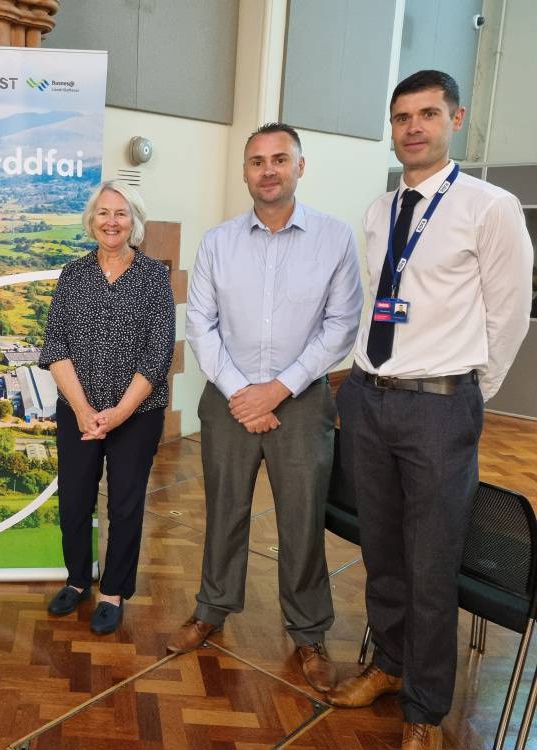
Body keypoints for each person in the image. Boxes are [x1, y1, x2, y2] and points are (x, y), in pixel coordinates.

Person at [326, 71, 533, 750]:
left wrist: (464, 393)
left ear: (456, 119)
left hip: (439, 408)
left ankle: (425, 704)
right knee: (381, 552)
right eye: (401, 117)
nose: (412, 127)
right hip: (368, 397)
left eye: (426, 114)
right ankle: (387, 664)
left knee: (433, 562)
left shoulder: (490, 206)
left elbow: (507, 315)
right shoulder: (380, 211)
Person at [168, 123, 362, 694]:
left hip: (301, 404)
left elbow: (341, 325)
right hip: (228, 400)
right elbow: (200, 325)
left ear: (301, 167)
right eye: (257, 161)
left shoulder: (334, 238)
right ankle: (211, 609)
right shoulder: (218, 242)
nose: (268, 169)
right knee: (224, 511)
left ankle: (308, 633)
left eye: (280, 159)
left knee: (302, 522)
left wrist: (277, 390)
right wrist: (239, 392)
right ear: (246, 172)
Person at [39, 180, 175, 635]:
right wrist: (81, 410)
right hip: (77, 410)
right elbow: (55, 345)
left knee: (125, 504)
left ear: (134, 220)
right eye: (103, 213)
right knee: (75, 501)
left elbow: (158, 356)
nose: (111, 221)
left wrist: (118, 413)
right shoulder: (73, 275)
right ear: (91, 221)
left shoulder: (154, 277)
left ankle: (113, 591)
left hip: (136, 415)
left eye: (120, 213)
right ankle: (78, 580)